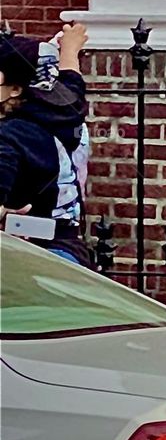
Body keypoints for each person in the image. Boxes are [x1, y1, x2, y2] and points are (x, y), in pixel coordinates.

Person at [0, 23, 91, 266]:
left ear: (15, 89)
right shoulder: (68, 114)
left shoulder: (9, 135)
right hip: (69, 251)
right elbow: (72, 80)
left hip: (25, 257)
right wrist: (70, 49)